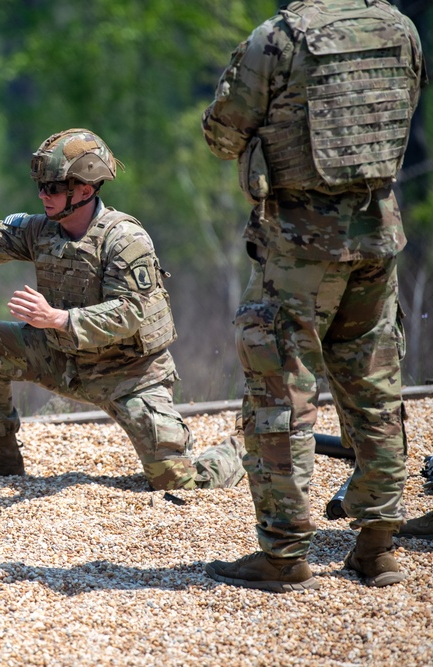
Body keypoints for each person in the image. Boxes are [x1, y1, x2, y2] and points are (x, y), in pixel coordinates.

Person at [0, 128, 246, 491]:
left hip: (126, 374)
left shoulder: (125, 240)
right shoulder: (40, 231)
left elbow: (130, 312)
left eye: (52, 188)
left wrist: (59, 319)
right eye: (41, 187)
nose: (42, 195)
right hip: (61, 357)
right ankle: (2, 459)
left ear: (85, 190)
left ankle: (242, 447)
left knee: (176, 480)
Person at [201, 0, 425, 591]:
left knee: (281, 395)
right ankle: (378, 547)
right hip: (377, 233)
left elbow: (223, 133)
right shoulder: (399, 27)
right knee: (375, 389)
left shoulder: (279, 39)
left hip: (298, 249)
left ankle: (284, 555)